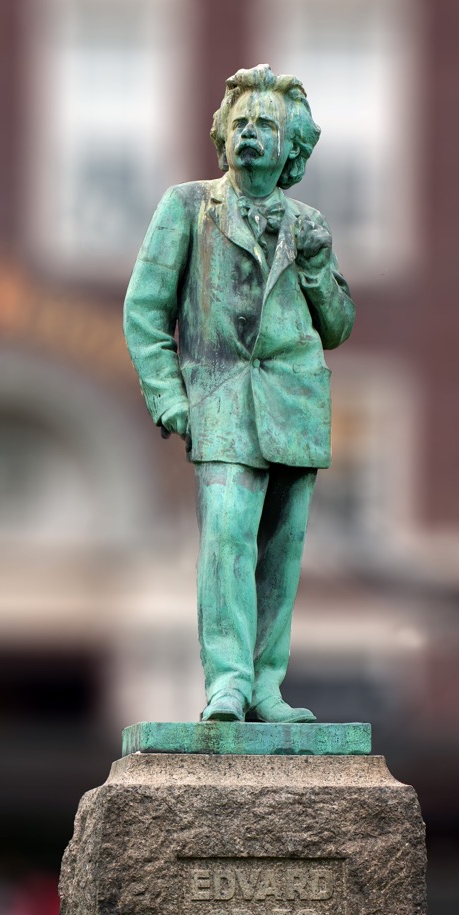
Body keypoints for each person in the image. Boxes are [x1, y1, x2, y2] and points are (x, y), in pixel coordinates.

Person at [123, 64, 355, 723]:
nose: (251, 135)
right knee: (227, 536)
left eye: (267, 127)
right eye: (241, 125)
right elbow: (144, 310)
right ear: (223, 139)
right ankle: (227, 683)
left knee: (280, 554)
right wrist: (170, 398)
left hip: (295, 405)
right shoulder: (187, 207)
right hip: (219, 397)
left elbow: (336, 326)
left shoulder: (309, 224)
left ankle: (266, 688)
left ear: (293, 150)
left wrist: (313, 264)